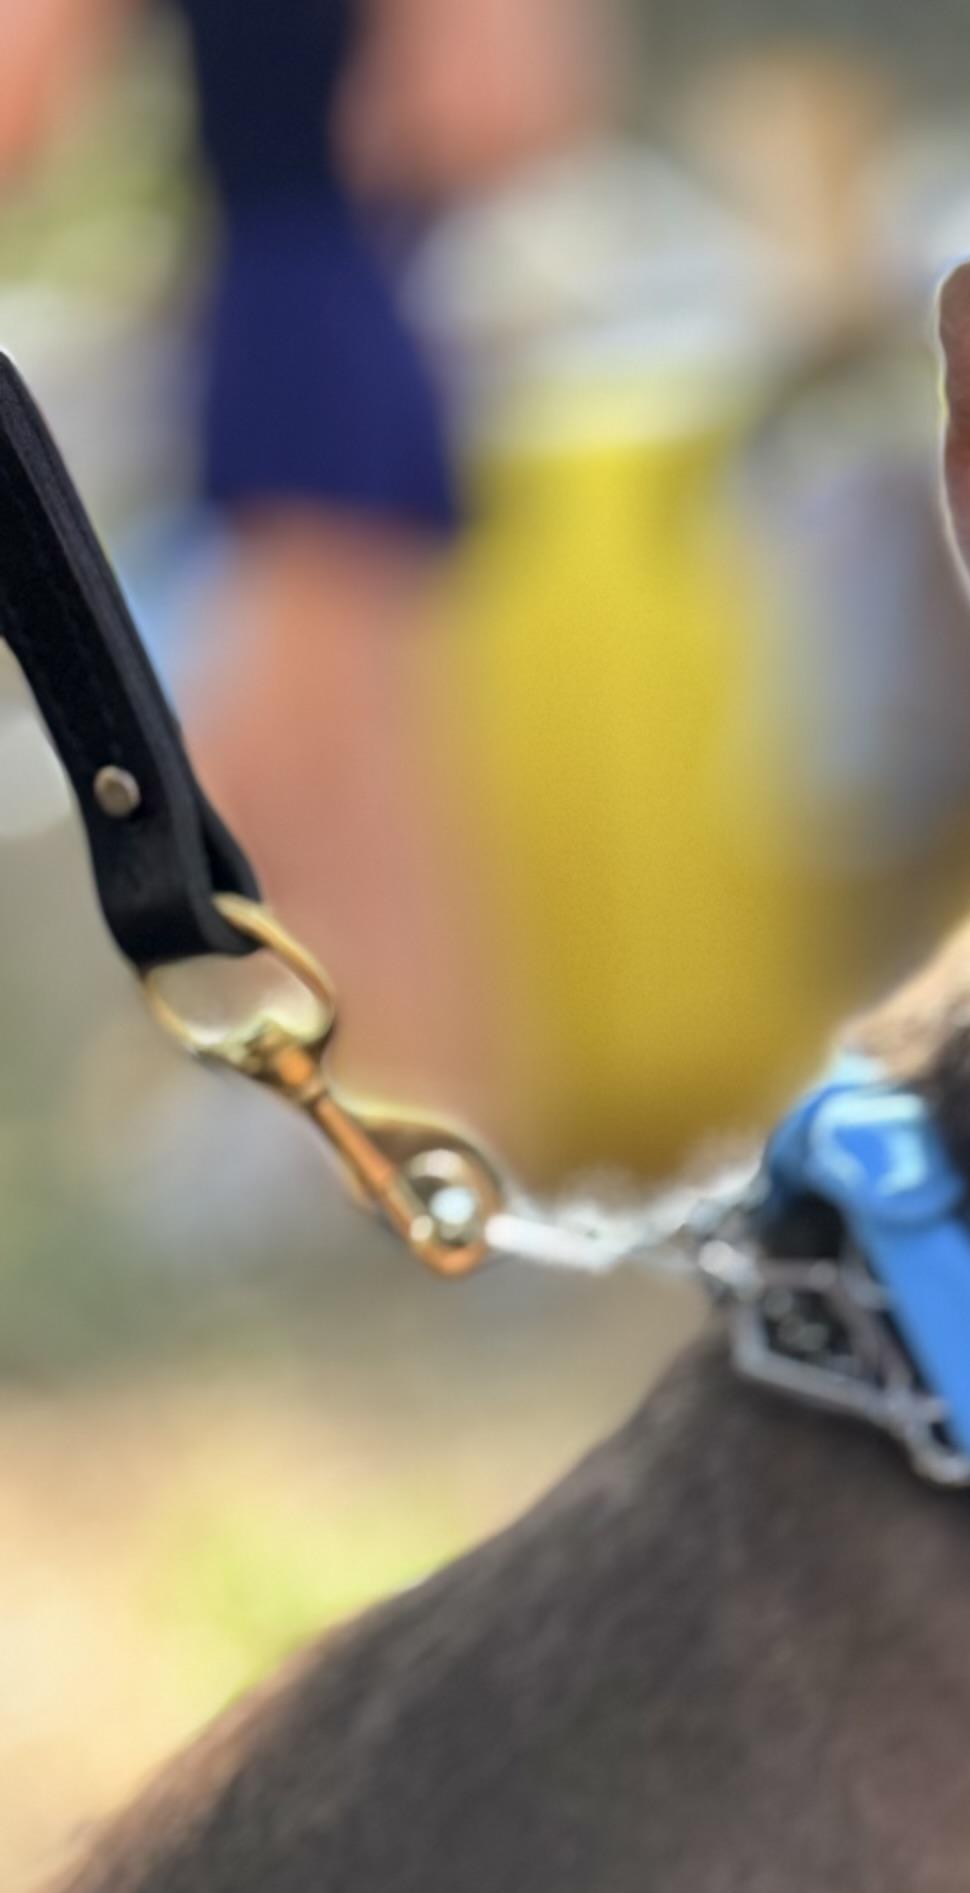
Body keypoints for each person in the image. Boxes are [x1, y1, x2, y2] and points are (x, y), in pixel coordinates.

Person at [0, 0, 597, 1121]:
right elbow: (499, 112)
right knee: (301, 787)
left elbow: (15, 113)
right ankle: (393, 1150)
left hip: (301, 319)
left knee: (339, 808)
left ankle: (427, 1153)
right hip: (327, 305)